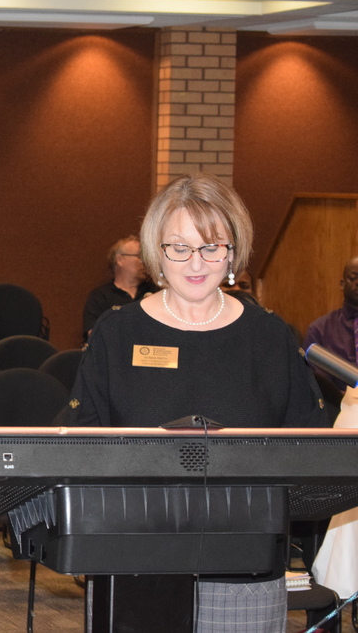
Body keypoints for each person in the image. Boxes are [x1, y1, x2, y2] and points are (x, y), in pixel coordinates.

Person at [71, 173, 326, 632]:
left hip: (244, 570)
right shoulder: (118, 333)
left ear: (233, 253)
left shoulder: (269, 337)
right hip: (135, 562)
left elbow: (307, 447)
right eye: (179, 247)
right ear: (156, 251)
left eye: (212, 247)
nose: (196, 262)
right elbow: (84, 446)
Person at [82, 235, 157, 342]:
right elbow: (94, 334)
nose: (144, 262)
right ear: (120, 260)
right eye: (139, 256)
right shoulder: (101, 296)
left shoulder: (156, 292)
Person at [303, 257, 358, 391]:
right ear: (342, 284)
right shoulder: (319, 330)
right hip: (336, 406)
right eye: (353, 278)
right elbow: (314, 383)